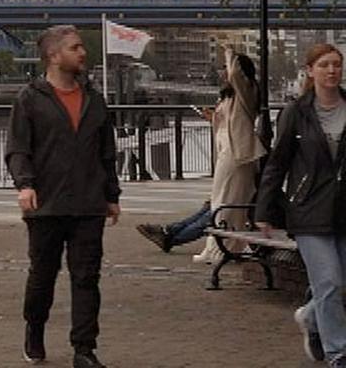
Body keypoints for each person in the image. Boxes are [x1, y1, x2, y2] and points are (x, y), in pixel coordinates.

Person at [8, 25, 120, 368]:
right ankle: (35, 329)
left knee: (87, 277)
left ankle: (84, 350)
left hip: (88, 203)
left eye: (82, 47)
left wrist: (111, 194)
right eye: (75, 48)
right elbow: (18, 150)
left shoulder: (94, 100)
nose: (82, 53)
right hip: (46, 205)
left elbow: (106, 152)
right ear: (53, 55)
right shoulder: (30, 99)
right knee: (43, 274)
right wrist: (25, 185)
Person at [256, 43, 346, 366]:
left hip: (343, 210)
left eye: (336, 64)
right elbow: (277, 163)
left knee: (337, 285)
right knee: (330, 282)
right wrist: (264, 210)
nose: (332, 71)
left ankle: (310, 317)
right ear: (311, 71)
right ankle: (338, 351)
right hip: (308, 211)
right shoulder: (297, 112)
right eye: (324, 65)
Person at [138, 50, 264, 258]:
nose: (224, 72)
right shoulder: (230, 97)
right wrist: (212, 117)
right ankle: (174, 234)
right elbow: (228, 125)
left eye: (226, 68)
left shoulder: (247, 91)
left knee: (222, 203)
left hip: (238, 155)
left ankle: (213, 246)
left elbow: (235, 76)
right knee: (216, 202)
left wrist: (229, 54)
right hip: (226, 153)